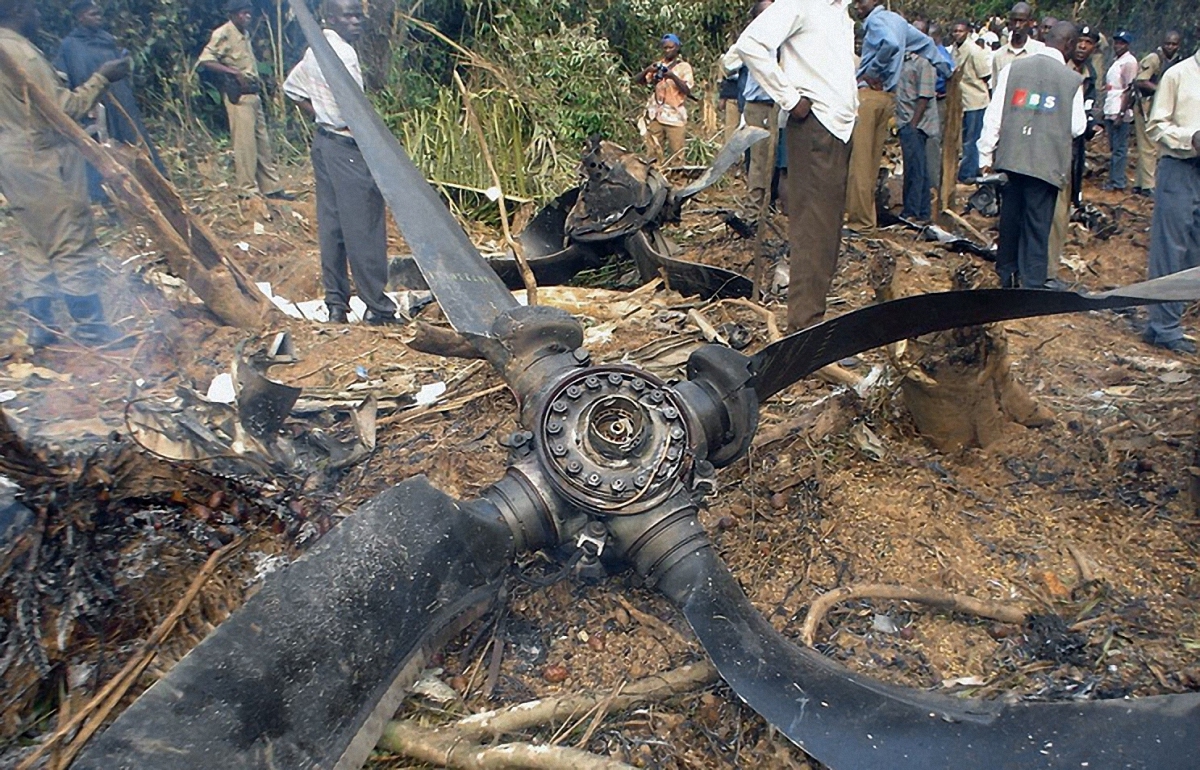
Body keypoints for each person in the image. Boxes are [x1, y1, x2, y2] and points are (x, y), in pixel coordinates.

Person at [0, 0, 132, 348]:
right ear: (17, 11)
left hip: (12, 158)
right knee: (71, 238)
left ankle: (41, 327)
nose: (38, 16)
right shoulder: (21, 54)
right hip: (42, 156)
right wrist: (103, 76)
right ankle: (92, 328)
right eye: (33, 10)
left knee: (37, 241)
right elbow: (63, 109)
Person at [736, 0, 857, 331]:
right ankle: (804, 330)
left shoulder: (839, 12)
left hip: (836, 127)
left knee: (827, 232)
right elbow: (750, 44)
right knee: (814, 232)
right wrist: (790, 99)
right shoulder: (802, 3)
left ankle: (811, 324)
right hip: (816, 127)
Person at [284, 0, 400, 326]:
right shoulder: (344, 54)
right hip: (348, 147)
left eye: (358, 15)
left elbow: (292, 89)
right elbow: (356, 111)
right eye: (348, 15)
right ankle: (377, 308)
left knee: (332, 226)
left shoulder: (314, 50)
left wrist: (322, 116)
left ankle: (337, 305)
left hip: (324, 144)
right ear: (330, 17)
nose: (356, 21)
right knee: (364, 227)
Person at [978, 21, 1086, 290]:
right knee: (1038, 225)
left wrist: (985, 154)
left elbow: (995, 114)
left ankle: (1006, 275)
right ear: (1070, 44)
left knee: (1011, 218)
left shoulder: (1013, 69)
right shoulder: (1071, 79)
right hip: (1046, 163)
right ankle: (1033, 284)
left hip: (1012, 158)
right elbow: (1077, 127)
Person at [844, 0, 943, 231]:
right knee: (870, 162)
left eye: (861, 1)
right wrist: (947, 69)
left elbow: (889, 44)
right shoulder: (898, 21)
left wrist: (872, 71)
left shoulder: (876, 21)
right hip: (887, 96)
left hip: (868, 95)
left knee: (860, 163)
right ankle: (867, 219)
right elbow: (927, 45)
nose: (857, 5)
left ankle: (860, 223)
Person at [53, 0, 164, 203]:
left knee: (133, 144)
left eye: (97, 12)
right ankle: (111, 201)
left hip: (121, 103)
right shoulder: (69, 46)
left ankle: (152, 192)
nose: (96, 14)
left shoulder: (107, 40)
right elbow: (63, 80)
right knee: (102, 153)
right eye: (89, 12)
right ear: (79, 17)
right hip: (94, 109)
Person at [198, 0, 291, 199]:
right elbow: (206, 60)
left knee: (262, 142)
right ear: (232, 14)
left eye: (248, 13)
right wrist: (232, 72)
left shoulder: (245, 34)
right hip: (238, 95)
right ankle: (247, 190)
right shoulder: (223, 33)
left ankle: (270, 187)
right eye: (242, 13)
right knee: (245, 144)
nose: (246, 17)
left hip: (253, 93)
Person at [1141, 42, 1200, 353]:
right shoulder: (1178, 75)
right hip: (1180, 166)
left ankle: (1163, 321)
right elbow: (1156, 125)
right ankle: (1165, 326)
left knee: (1194, 250)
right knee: (1171, 246)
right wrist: (1190, 139)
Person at [721, 0, 775, 216]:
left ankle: (768, 205)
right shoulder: (752, 39)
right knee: (759, 159)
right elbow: (728, 65)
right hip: (759, 104)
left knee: (773, 158)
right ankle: (754, 208)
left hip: (779, 106)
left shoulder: (782, 39)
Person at [1132, 31, 1182, 196]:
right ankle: (1148, 185)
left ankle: (1139, 184)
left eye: (1174, 44)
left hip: (1161, 108)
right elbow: (1141, 81)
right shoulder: (1154, 58)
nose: (1170, 47)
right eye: (1168, 43)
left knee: (1153, 146)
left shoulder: (1178, 61)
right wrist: (1162, 90)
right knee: (1149, 146)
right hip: (1146, 107)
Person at [635, 34, 694, 163]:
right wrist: (648, 70)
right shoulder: (659, 65)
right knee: (653, 153)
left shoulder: (684, 67)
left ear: (677, 48)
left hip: (675, 116)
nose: (667, 51)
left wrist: (672, 76)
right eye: (665, 48)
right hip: (656, 115)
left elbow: (687, 90)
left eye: (670, 47)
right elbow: (638, 81)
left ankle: (677, 181)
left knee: (677, 155)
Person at [895, 48, 938, 221]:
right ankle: (919, 212)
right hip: (904, 120)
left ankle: (913, 212)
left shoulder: (923, 63)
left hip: (917, 124)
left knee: (916, 170)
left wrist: (913, 123)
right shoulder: (900, 60)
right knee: (914, 167)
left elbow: (924, 96)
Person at [950, 20, 991, 181]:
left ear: (967, 31)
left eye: (960, 31)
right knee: (965, 137)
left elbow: (985, 75)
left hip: (976, 100)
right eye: (954, 31)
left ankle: (968, 172)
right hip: (962, 101)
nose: (957, 34)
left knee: (972, 139)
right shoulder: (954, 50)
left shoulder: (975, 51)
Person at [1103, 31, 1138, 191]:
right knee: (1114, 147)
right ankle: (1114, 178)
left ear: (1127, 45)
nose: (1118, 46)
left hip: (1119, 109)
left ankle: (1117, 181)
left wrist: (1121, 113)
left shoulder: (1129, 62)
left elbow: (1129, 89)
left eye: (1122, 43)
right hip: (1111, 105)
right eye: (1116, 42)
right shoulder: (1117, 61)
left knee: (1120, 149)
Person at [991, 2, 1043, 82]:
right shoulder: (999, 55)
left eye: (1021, 21)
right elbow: (996, 87)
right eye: (1014, 21)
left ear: (1030, 23)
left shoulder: (1040, 51)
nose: (1017, 25)